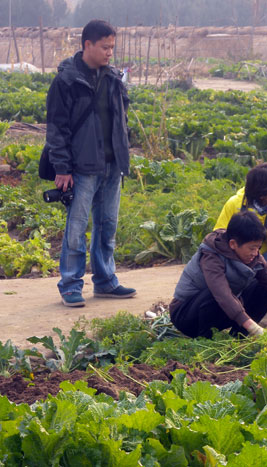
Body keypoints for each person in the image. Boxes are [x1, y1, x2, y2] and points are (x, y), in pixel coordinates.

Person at [45, 19, 134, 307]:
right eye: (105, 47)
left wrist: (124, 151)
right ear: (88, 45)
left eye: (112, 47)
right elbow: (57, 128)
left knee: (107, 226)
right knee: (77, 228)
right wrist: (62, 167)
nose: (110, 53)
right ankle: (70, 284)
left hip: (112, 166)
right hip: (82, 167)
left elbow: (121, 117)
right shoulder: (66, 81)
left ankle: (106, 281)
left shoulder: (112, 78)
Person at [170, 211, 267, 338]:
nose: (255, 253)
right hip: (187, 315)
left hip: (220, 310)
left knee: (266, 287)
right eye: (252, 248)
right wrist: (255, 328)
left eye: (258, 248)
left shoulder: (252, 255)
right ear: (233, 244)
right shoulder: (211, 256)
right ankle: (205, 340)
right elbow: (222, 295)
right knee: (215, 295)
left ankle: (239, 337)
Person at [214, 163, 267, 281]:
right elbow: (219, 237)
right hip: (235, 261)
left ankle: (262, 296)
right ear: (262, 195)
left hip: (262, 262)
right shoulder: (235, 203)